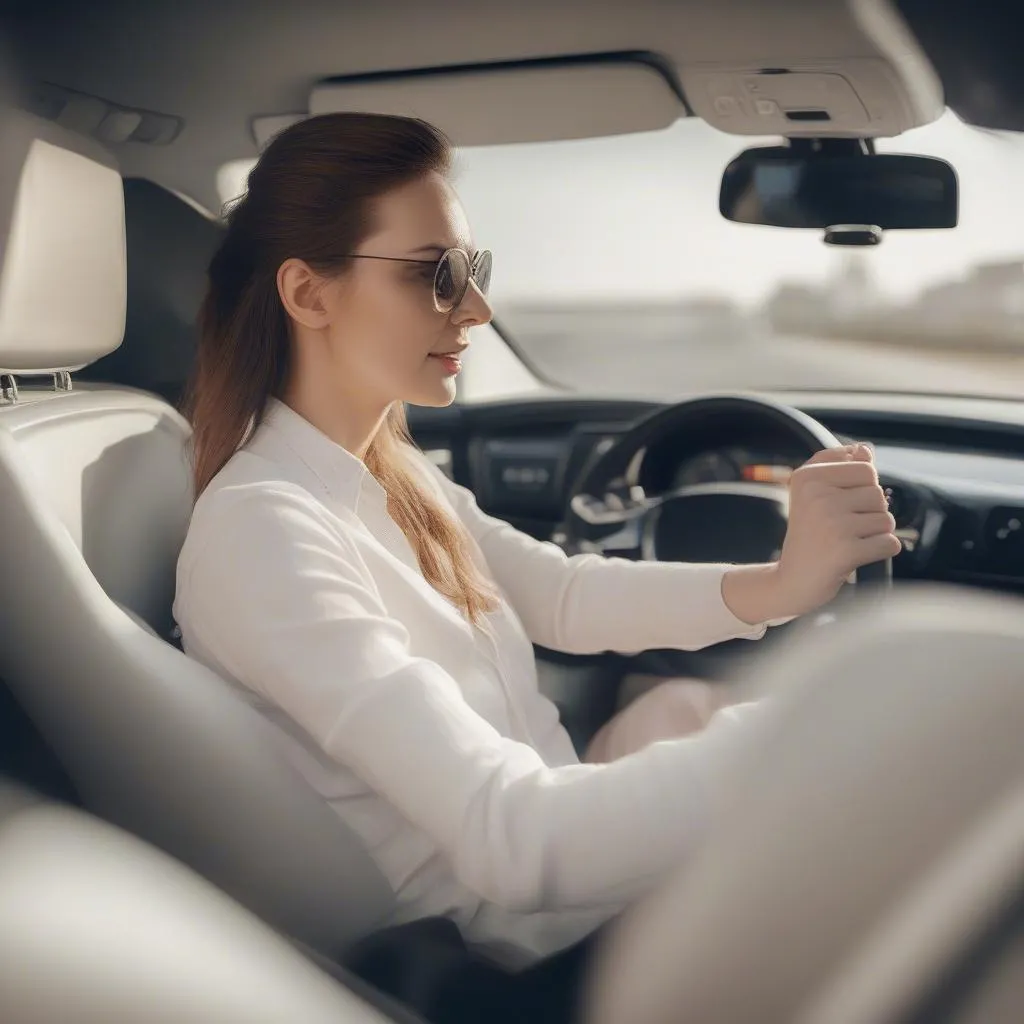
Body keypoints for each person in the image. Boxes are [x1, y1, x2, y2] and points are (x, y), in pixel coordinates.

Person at [172, 112, 901, 1022]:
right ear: (308, 294)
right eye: (438, 275)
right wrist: (811, 731)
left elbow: (558, 593)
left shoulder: (387, 473)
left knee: (682, 707)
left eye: (474, 273)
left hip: (562, 888)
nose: (475, 309)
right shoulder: (263, 533)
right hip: (525, 953)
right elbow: (512, 840)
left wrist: (782, 585)